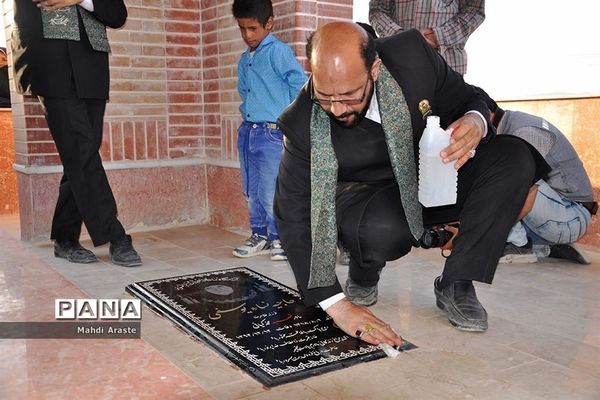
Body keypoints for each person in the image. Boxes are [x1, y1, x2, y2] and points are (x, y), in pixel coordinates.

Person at [274, 22, 548, 346]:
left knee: (514, 157)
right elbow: (292, 214)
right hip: (368, 197)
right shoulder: (302, 121)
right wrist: (336, 305)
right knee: (377, 231)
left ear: (374, 68)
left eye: (349, 96)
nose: (336, 109)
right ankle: (364, 268)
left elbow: (469, 98)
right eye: (324, 96)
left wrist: (475, 121)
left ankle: (456, 281)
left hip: (431, 178)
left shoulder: (412, 56)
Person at [11, 0, 142, 267]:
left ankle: (64, 236)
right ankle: (115, 235)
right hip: (52, 64)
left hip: (91, 66)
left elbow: (117, 14)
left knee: (81, 156)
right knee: (81, 150)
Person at [479, 90, 597, 265]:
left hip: (571, 216)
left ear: (487, 114)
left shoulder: (524, 132)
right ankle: (550, 247)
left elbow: (525, 190)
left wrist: (488, 232)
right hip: (558, 214)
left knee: (505, 176)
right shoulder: (510, 126)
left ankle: (518, 245)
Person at [231, 0, 307, 261]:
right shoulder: (245, 59)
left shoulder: (279, 52)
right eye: (242, 29)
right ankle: (259, 234)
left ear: (269, 23)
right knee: (251, 188)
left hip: (273, 133)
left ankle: (279, 238)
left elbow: (301, 85)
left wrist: (289, 121)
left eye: (253, 29)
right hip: (248, 131)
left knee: (271, 189)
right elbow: (244, 90)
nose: (247, 35)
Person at [369, 0, 485, 75]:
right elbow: (377, 10)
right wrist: (400, 36)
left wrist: (438, 36)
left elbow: (475, 10)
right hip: (397, 64)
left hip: (447, 63)